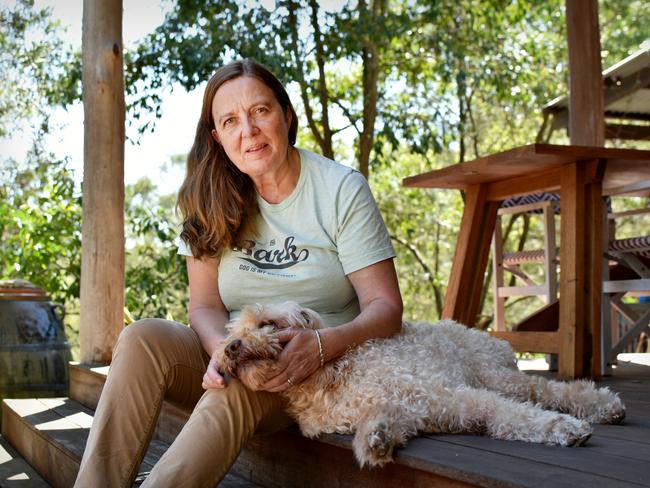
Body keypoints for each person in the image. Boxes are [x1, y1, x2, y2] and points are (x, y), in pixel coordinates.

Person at [74, 59, 402, 488]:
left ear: (286, 114)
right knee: (141, 339)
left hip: (320, 368)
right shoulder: (208, 198)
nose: (247, 129)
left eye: (260, 111)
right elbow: (205, 306)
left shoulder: (340, 189)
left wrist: (321, 346)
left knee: (241, 386)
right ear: (217, 136)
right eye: (230, 120)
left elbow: (386, 308)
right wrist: (221, 351)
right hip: (240, 348)